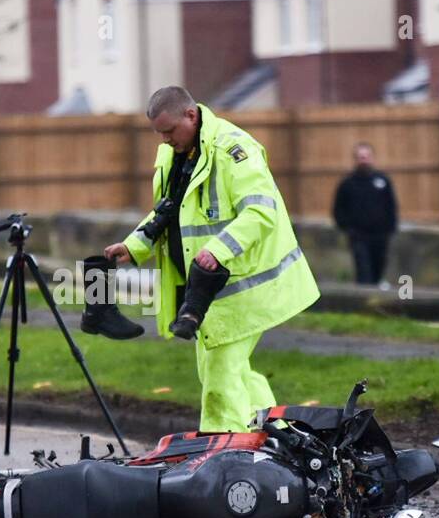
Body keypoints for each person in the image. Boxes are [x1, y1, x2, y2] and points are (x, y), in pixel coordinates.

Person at [99, 86, 319, 433]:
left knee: (220, 377)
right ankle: (276, 436)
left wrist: (218, 250)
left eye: (170, 131)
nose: (166, 140)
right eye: (159, 134)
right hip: (208, 294)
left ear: (191, 115)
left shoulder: (233, 150)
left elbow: (261, 211)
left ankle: (225, 453)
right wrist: (134, 246)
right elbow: (169, 213)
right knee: (232, 372)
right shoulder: (178, 154)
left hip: (242, 290)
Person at [333, 142, 398, 286]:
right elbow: (338, 210)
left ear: (372, 158)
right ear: (355, 159)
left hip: (380, 235)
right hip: (359, 236)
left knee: (378, 268)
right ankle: (363, 302)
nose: (364, 160)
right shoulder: (347, 183)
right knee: (364, 271)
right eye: (360, 157)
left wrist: (390, 228)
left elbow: (391, 206)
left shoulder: (382, 181)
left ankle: (376, 300)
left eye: (366, 156)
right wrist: (348, 228)